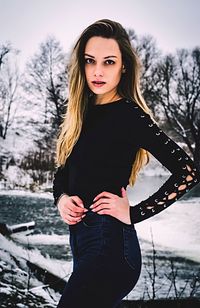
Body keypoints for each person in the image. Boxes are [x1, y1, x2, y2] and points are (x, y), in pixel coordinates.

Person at [52, 19, 200, 308]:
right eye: (90, 61)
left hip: (110, 250)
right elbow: (63, 172)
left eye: (108, 62)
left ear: (124, 66)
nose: (97, 71)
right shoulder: (79, 115)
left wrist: (134, 212)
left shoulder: (129, 116)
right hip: (84, 246)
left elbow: (188, 172)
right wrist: (62, 198)